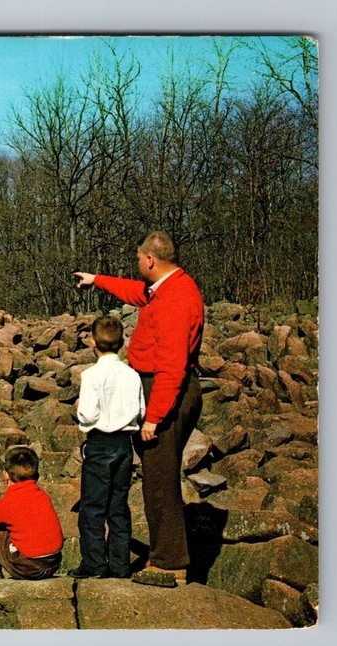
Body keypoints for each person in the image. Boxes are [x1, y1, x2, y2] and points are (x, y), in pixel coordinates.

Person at [73, 231, 203, 586]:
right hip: (160, 386)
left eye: (138, 259)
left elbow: (173, 365)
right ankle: (168, 554)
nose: (137, 265)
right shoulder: (166, 287)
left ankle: (170, 562)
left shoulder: (176, 298)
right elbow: (135, 292)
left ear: (150, 260)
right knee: (158, 475)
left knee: (160, 479)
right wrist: (96, 280)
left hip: (166, 390)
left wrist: (155, 418)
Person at [69, 315, 144, 580]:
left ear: (92, 343)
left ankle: (94, 562)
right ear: (123, 342)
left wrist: (81, 417)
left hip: (100, 443)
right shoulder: (132, 375)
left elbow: (88, 414)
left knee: (92, 507)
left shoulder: (90, 375)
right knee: (118, 506)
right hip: (124, 445)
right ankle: (120, 565)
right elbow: (140, 411)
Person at [0, 445, 64, 589]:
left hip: (30, 568)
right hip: (53, 562)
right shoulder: (43, 496)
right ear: (36, 475)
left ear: (5, 474)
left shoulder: (8, 502)